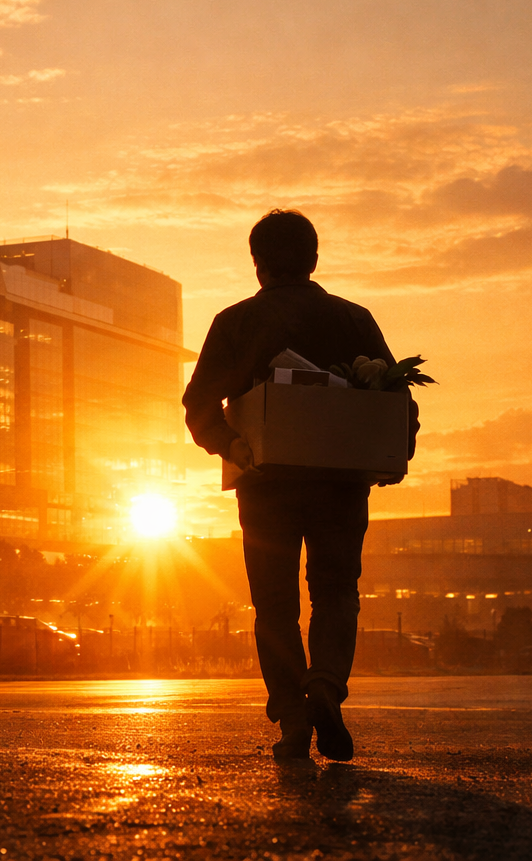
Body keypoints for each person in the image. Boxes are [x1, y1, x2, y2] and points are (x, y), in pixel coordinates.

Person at [181, 209, 418, 761]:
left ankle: (292, 719)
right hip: (340, 483)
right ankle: (326, 687)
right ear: (314, 259)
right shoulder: (354, 319)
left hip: (265, 486)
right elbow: (397, 399)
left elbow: (197, 407)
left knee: (275, 604)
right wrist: (387, 454)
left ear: (257, 263)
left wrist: (231, 444)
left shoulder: (235, 322)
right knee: (336, 590)